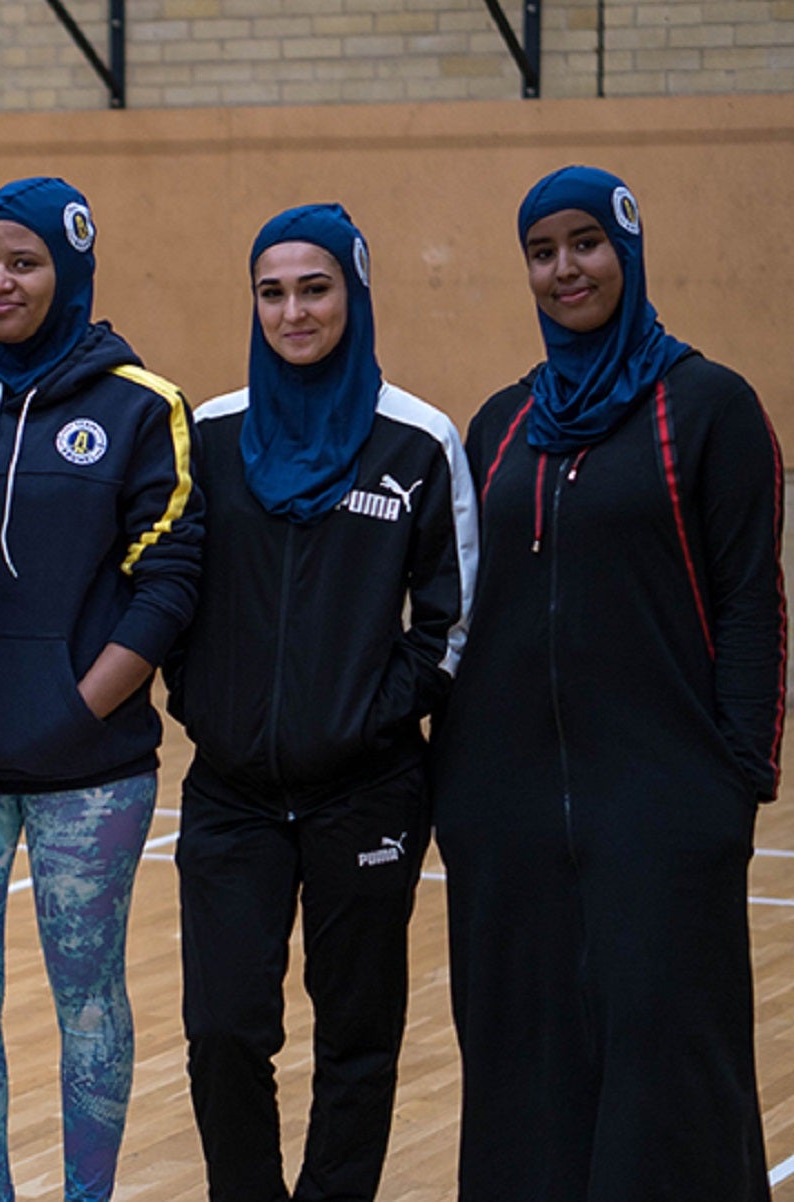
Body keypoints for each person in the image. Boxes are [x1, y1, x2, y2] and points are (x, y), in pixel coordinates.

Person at [431, 166, 783, 1201]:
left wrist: (734, 780)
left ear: (625, 248)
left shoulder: (708, 406)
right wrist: (457, 784)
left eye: (583, 242)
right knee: (518, 1061)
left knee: (670, 1060)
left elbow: (752, 604)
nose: (562, 268)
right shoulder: (497, 426)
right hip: (506, 816)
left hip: (663, 805)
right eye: (540, 251)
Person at [0, 177, 201, 1202]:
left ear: (69, 271)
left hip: (89, 772)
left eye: (21, 262)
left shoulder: (141, 405)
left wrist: (73, 711)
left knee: (87, 998)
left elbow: (166, 587)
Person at [166, 204, 475, 1201]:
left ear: (354, 289)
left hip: (366, 791)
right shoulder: (208, 437)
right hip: (230, 795)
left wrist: (369, 712)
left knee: (356, 1038)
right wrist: (201, 698)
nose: (291, 310)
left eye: (314, 286)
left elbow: (452, 614)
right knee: (220, 1031)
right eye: (270, 290)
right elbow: (166, 587)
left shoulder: (416, 441)